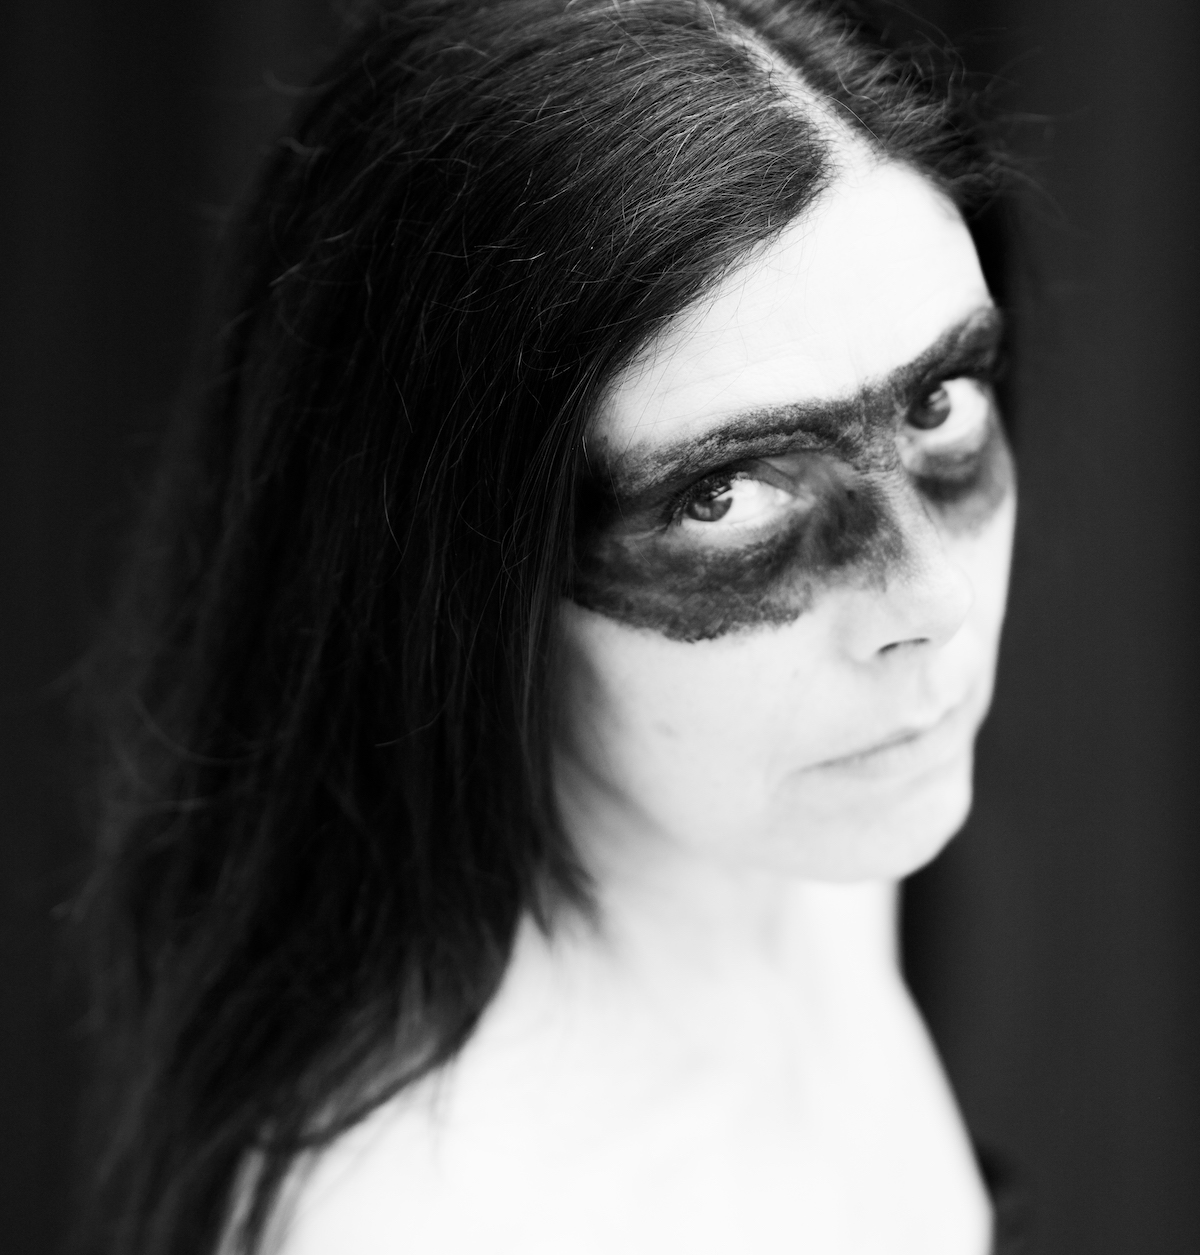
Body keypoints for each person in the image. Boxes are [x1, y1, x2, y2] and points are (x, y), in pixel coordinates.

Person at [80, 0, 1021, 1251]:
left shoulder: (805, 841)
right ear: (457, 570)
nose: (932, 601)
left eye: (939, 402)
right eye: (726, 494)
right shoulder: (437, 1219)